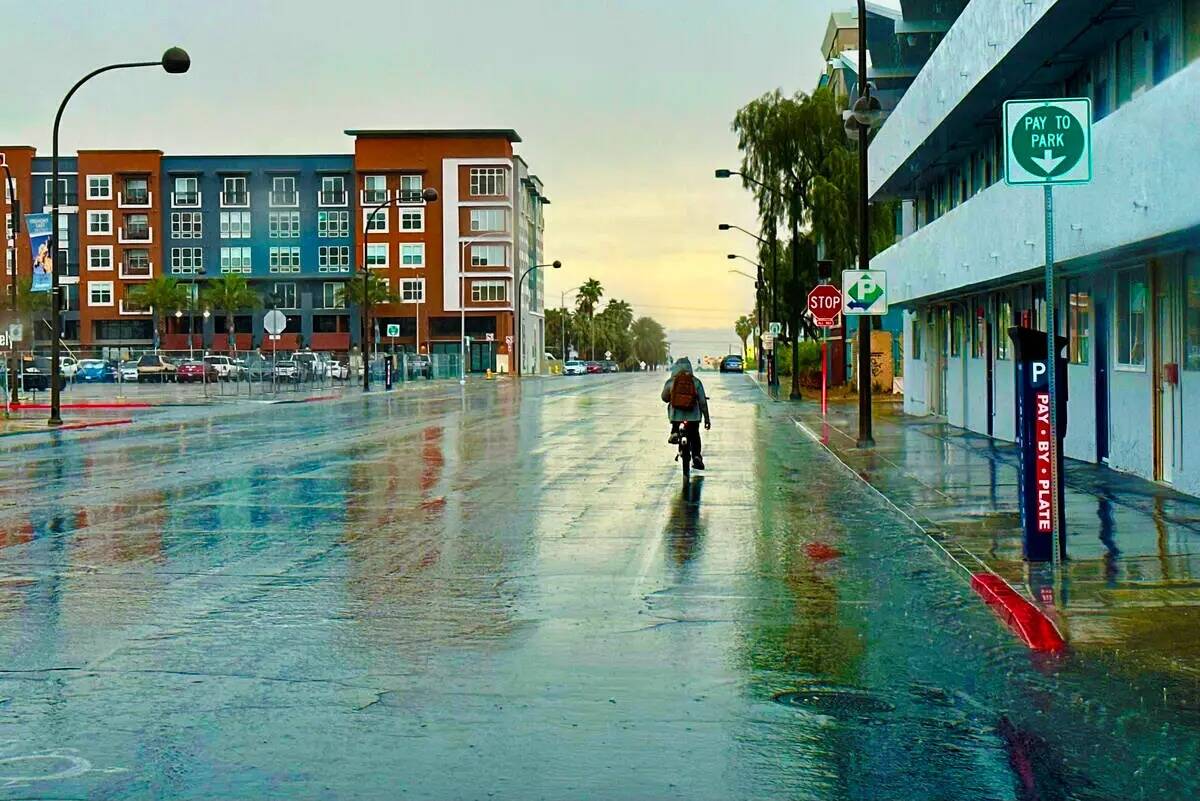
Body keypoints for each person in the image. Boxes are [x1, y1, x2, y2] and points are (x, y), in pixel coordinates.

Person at [662, 356, 710, 470]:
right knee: (694, 435)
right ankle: (697, 456)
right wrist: (707, 419)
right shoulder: (696, 382)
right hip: (693, 418)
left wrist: (671, 396)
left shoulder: (671, 381)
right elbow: (703, 402)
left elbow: (664, 398)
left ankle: (674, 432)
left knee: (673, 413)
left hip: (676, 417)